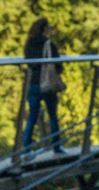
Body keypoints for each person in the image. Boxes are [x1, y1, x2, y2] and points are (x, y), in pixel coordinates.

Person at [20, 18, 66, 155]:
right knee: (52, 115)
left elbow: (28, 63)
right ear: (44, 29)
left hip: (32, 84)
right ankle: (56, 146)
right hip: (47, 84)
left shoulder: (28, 44)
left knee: (32, 117)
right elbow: (58, 65)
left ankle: (26, 148)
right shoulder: (49, 44)